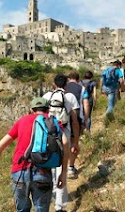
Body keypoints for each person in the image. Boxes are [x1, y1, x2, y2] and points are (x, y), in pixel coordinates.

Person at [0, 97, 70, 212]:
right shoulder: (54, 122)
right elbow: (65, 143)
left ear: (31, 110)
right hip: (43, 173)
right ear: (48, 110)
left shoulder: (22, 121)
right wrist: (63, 173)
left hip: (20, 172)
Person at [43, 74, 80, 212]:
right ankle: (60, 206)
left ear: (54, 84)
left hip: (49, 136)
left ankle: (53, 194)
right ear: (66, 85)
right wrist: (75, 141)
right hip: (64, 135)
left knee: (50, 168)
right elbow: (75, 122)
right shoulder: (70, 98)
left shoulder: (46, 97)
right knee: (61, 170)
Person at [65, 71, 89, 179]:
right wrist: (86, 119)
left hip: (63, 120)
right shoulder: (82, 88)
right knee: (74, 143)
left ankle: (61, 166)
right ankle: (70, 167)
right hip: (77, 118)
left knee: (64, 142)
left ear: (69, 78)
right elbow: (86, 104)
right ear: (78, 79)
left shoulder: (63, 88)